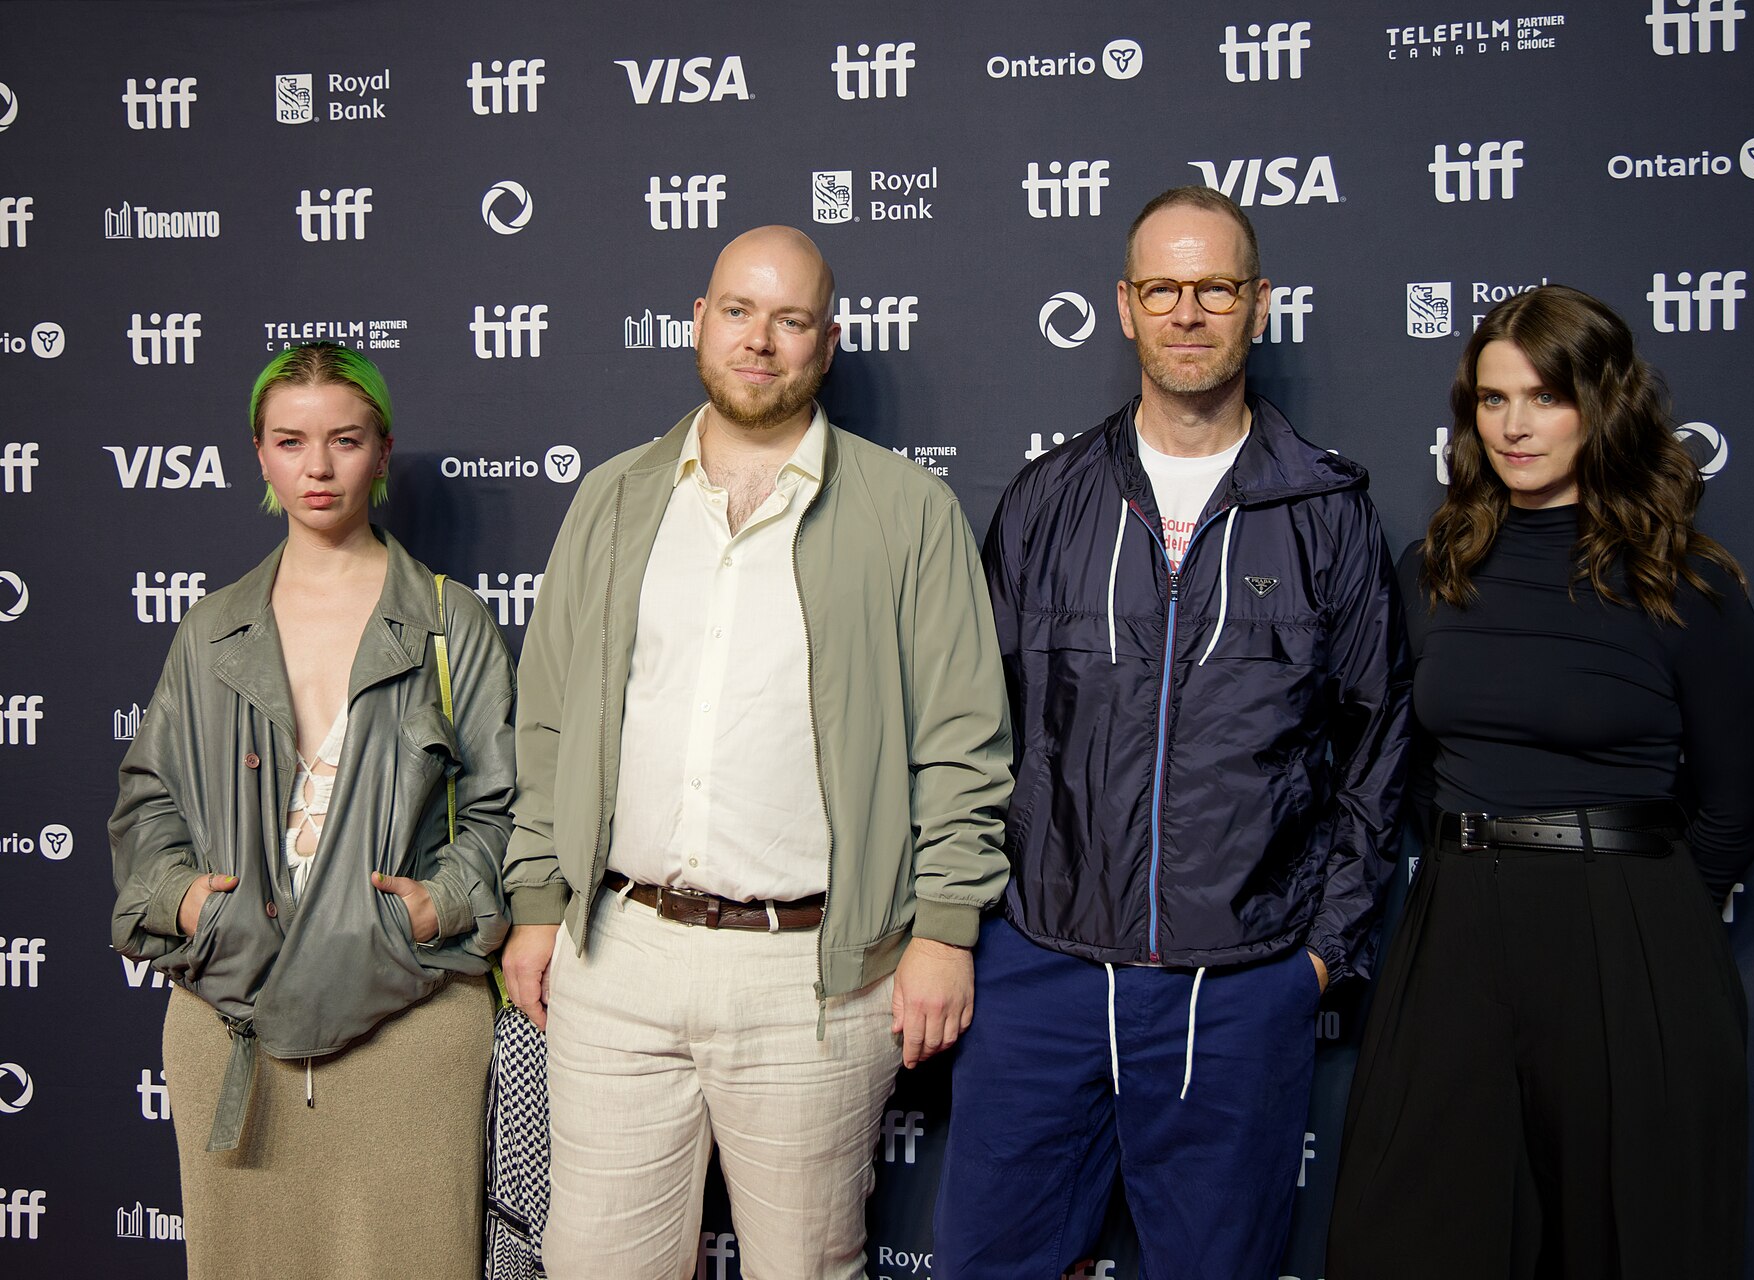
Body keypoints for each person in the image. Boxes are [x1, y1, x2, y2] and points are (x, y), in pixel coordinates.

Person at [500, 225, 1012, 1280]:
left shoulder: (909, 512)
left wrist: (947, 927)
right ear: (700, 322)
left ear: (827, 342)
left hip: (813, 973)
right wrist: (538, 899)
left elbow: (963, 744)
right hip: (617, 951)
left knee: (806, 1267)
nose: (760, 340)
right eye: (739, 311)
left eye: (790, 319)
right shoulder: (612, 498)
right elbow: (546, 719)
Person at [934, 186, 1412, 1277]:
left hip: (1238, 988)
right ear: (1124, 305)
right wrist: (976, 927)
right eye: (1163, 287)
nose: (1187, 311)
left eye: (1215, 287)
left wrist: (1322, 952)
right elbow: (973, 730)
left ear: (1258, 304)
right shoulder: (1047, 500)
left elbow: (1379, 744)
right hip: (1043, 968)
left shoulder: (1325, 510)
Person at [1326, 284, 1754, 1279]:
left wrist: (1640, 917)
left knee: (1628, 1238)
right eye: (1492, 400)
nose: (1515, 425)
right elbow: (1407, 766)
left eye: (1544, 396)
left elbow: (1737, 805)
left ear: (1601, 404)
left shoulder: (1684, 583)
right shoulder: (1432, 568)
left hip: (1629, 931)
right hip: (1457, 928)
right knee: (1415, 1232)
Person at [109, 343, 517, 1280]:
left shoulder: (455, 624)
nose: (319, 467)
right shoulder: (211, 628)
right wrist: (183, 902)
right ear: (259, 454)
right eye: (292, 442)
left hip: (409, 1016)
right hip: (230, 1015)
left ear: (382, 450)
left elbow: (503, 814)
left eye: (345, 439)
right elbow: (147, 801)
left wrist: (436, 907)